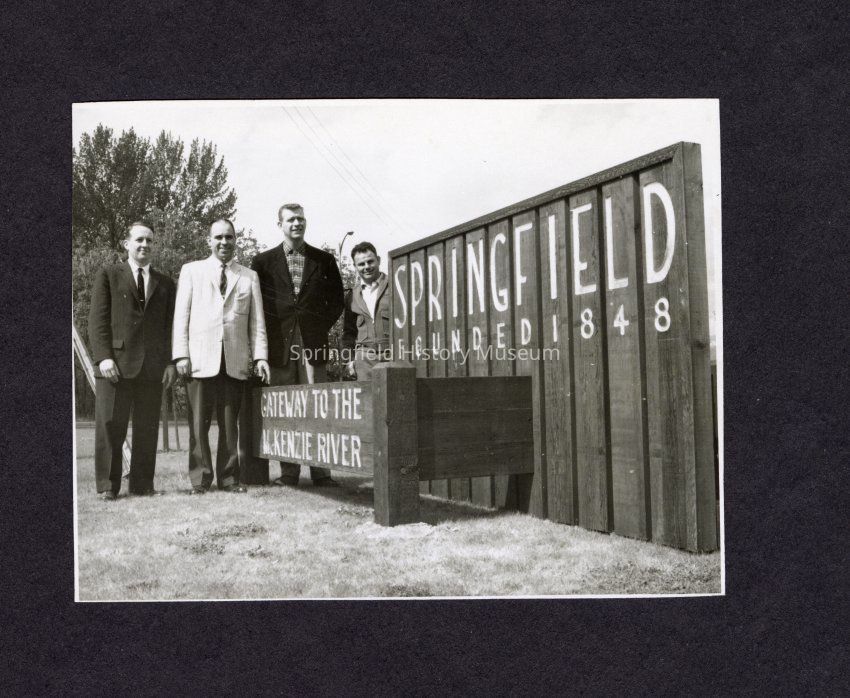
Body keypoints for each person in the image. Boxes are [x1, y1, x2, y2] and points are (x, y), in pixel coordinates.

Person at [241, 203, 344, 487]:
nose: (296, 223)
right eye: (290, 220)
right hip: (279, 345)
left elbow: (337, 300)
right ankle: (289, 473)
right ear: (280, 225)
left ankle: (321, 472)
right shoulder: (262, 262)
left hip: (313, 343)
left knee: (317, 408)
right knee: (285, 409)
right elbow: (257, 304)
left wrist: (317, 325)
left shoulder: (324, 259)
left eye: (300, 219)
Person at [172, 219, 270, 494]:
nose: (224, 242)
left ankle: (228, 479)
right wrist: (181, 355)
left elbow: (257, 323)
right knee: (198, 425)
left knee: (230, 426)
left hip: (234, 360)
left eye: (229, 237)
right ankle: (200, 480)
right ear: (209, 241)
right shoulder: (192, 271)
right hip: (199, 360)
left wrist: (260, 357)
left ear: (235, 240)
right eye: (218, 237)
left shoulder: (249, 276)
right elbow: (181, 317)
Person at [88, 221, 177, 500]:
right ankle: (108, 486)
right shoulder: (108, 275)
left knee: (147, 428)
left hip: (152, 368)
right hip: (115, 365)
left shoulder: (166, 283)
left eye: (149, 241)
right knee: (110, 426)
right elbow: (97, 321)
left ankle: (142, 485)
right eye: (139, 240)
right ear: (127, 244)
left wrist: (170, 363)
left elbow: (170, 327)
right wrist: (103, 357)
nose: (144, 245)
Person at [342, 242, 391, 381]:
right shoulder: (352, 296)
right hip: (364, 361)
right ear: (355, 266)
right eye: (361, 264)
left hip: (393, 356)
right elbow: (349, 333)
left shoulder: (394, 285)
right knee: (366, 395)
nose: (366, 267)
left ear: (378, 260)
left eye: (370, 261)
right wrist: (348, 361)